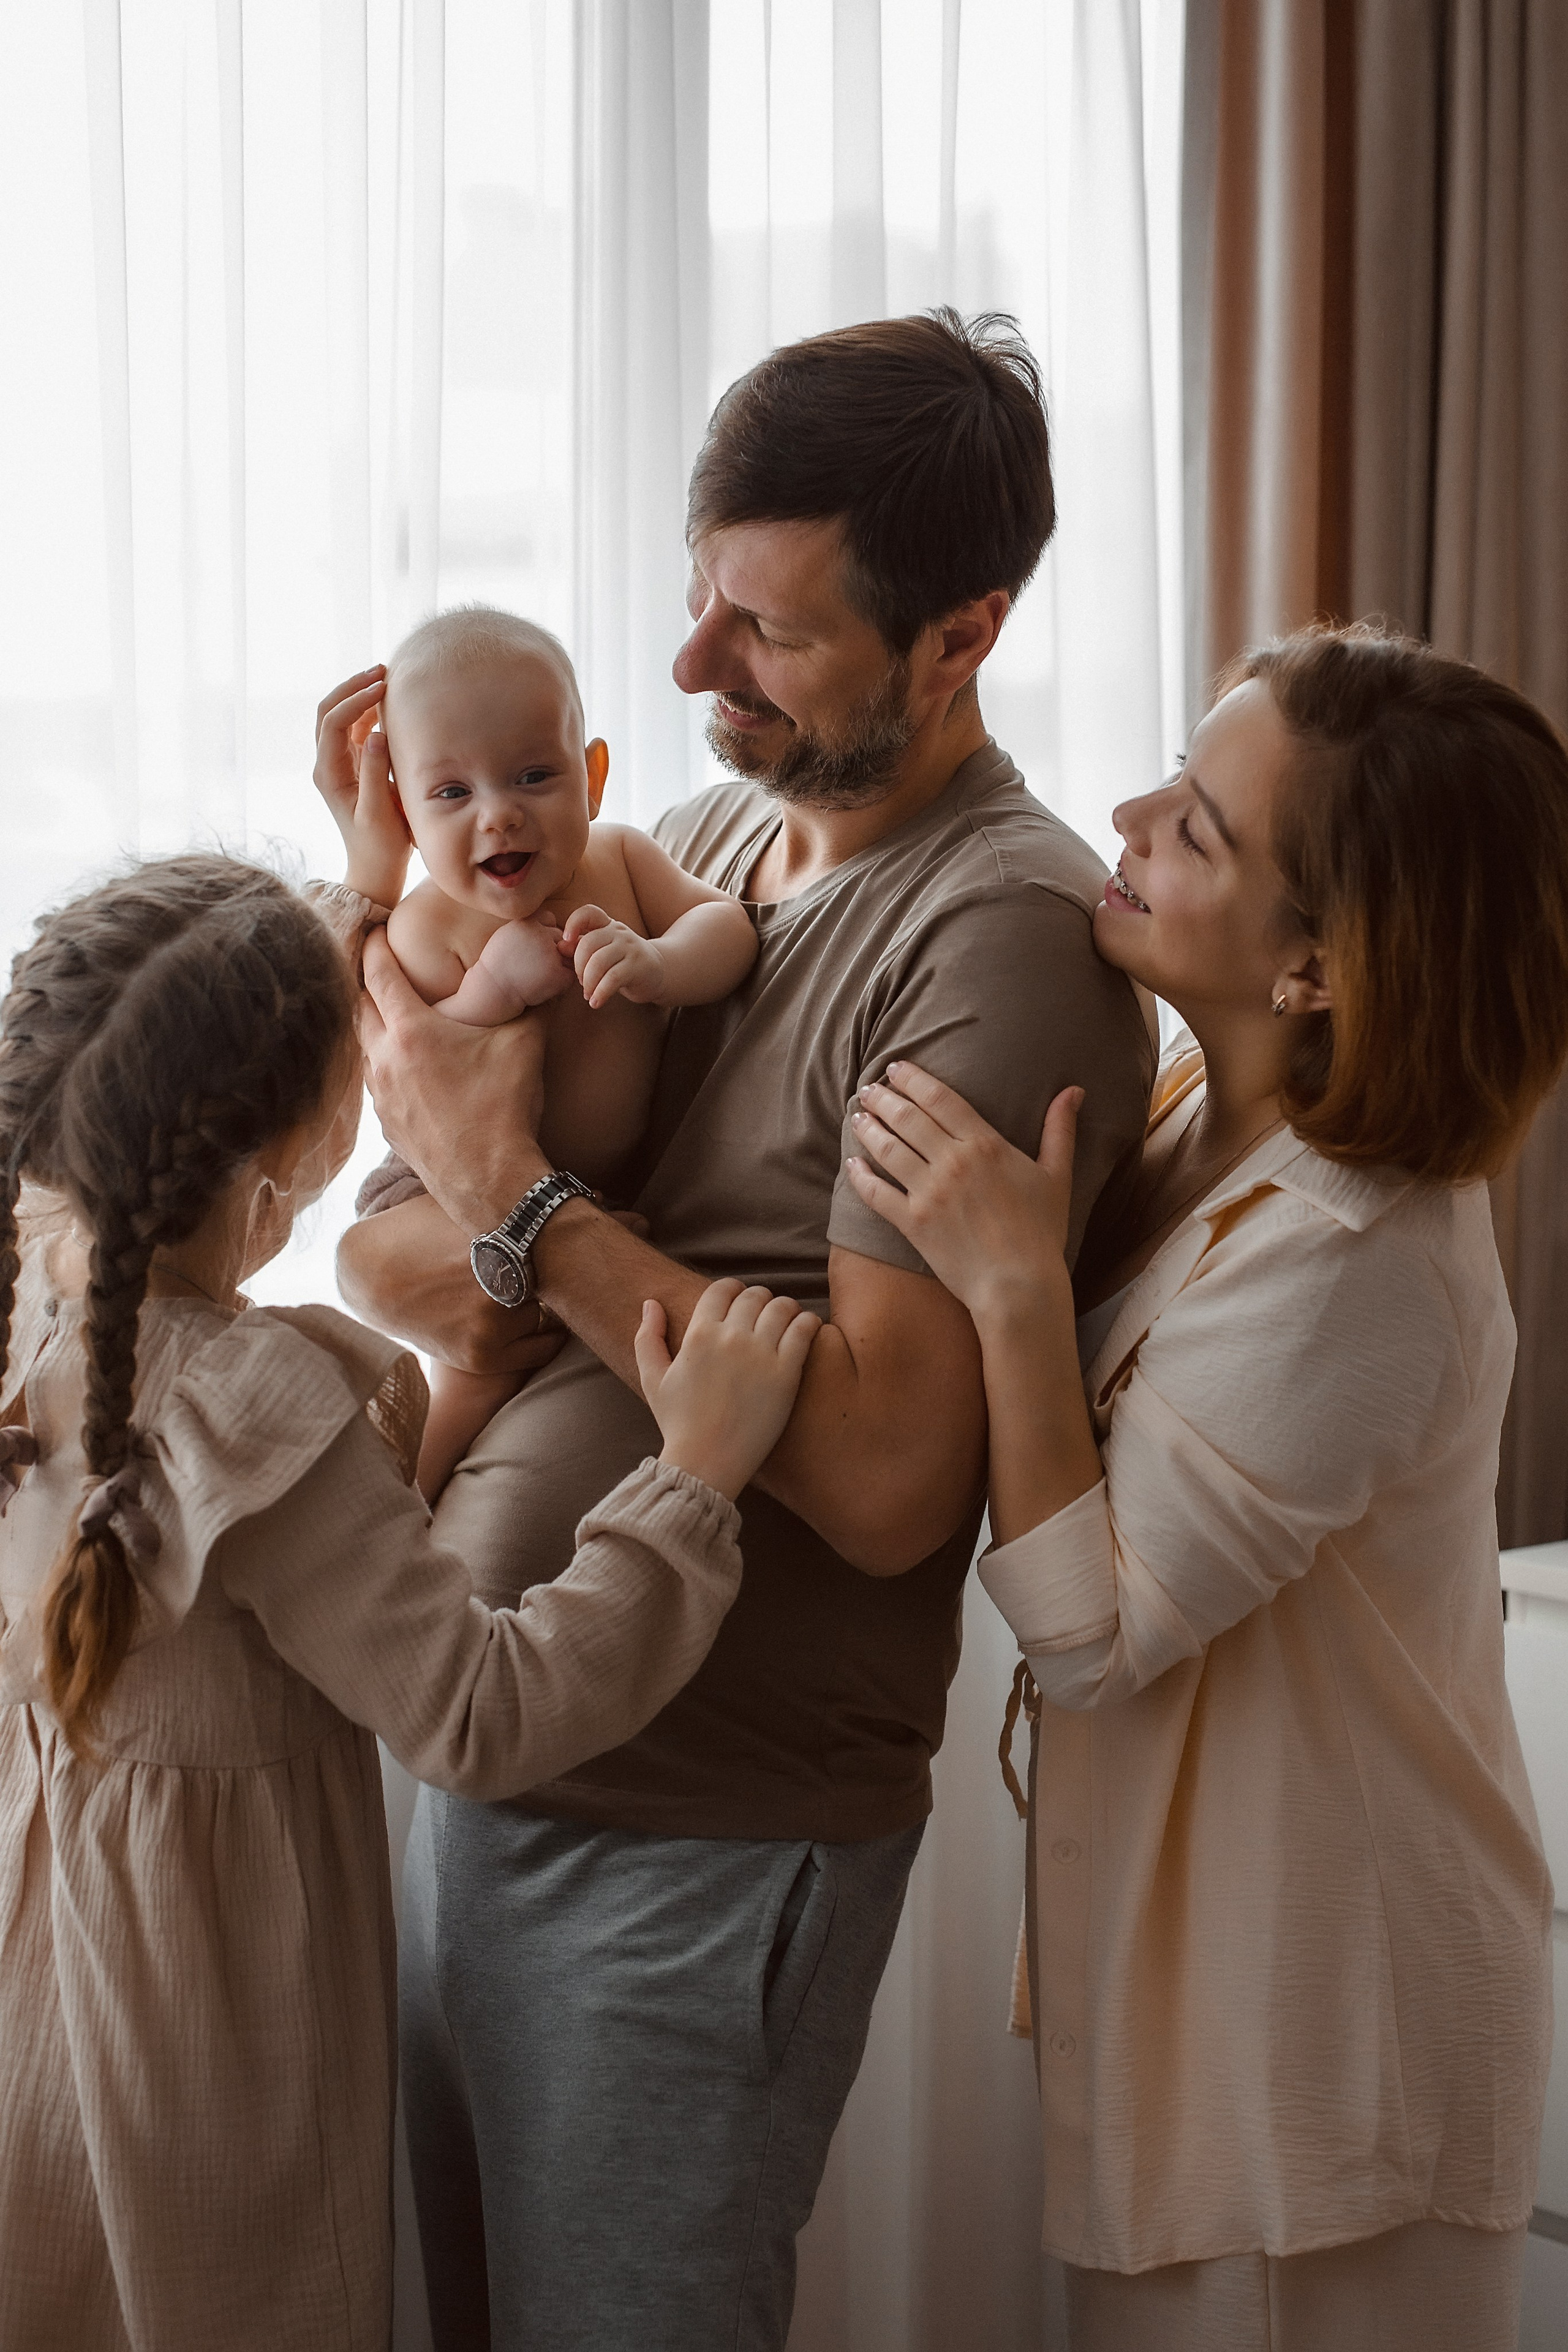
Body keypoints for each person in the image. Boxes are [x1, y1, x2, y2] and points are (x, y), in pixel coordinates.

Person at [324, 307, 1156, 2350]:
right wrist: (500, 1218)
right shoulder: (684, 853)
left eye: (766, 631)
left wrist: (526, 1213)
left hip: (699, 1844)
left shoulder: (997, 936)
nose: (692, 663)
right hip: (499, 1768)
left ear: (958, 638)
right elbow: (380, 1235)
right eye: (698, 594)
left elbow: (880, 1478)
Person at [843, 622, 1568, 2352]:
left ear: (1315, 965)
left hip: (1324, 2035)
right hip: (1211, 1993)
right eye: (1176, 770)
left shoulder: (1355, 1250)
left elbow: (1093, 1636)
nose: (1128, 815)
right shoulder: (1189, 1118)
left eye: (1198, 827)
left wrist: (1012, 1292)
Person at [0, 856, 818, 2352]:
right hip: (201, 2046)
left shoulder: (42, 1318)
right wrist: (694, 1472)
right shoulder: (247, 1403)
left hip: (37, 2000)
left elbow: (290, 1586)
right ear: (281, 1177)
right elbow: (478, 1711)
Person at [336, 605, 758, 1496]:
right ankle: (405, 1506)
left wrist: (658, 962)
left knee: (557, 1336)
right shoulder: (423, 928)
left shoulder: (624, 861)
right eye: (452, 794)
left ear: (592, 778)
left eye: (534, 776)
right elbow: (414, 1065)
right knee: (475, 1377)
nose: (500, 816)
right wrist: (492, 988)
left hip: (600, 1197)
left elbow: (730, 929)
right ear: (404, 814)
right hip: (442, 1194)